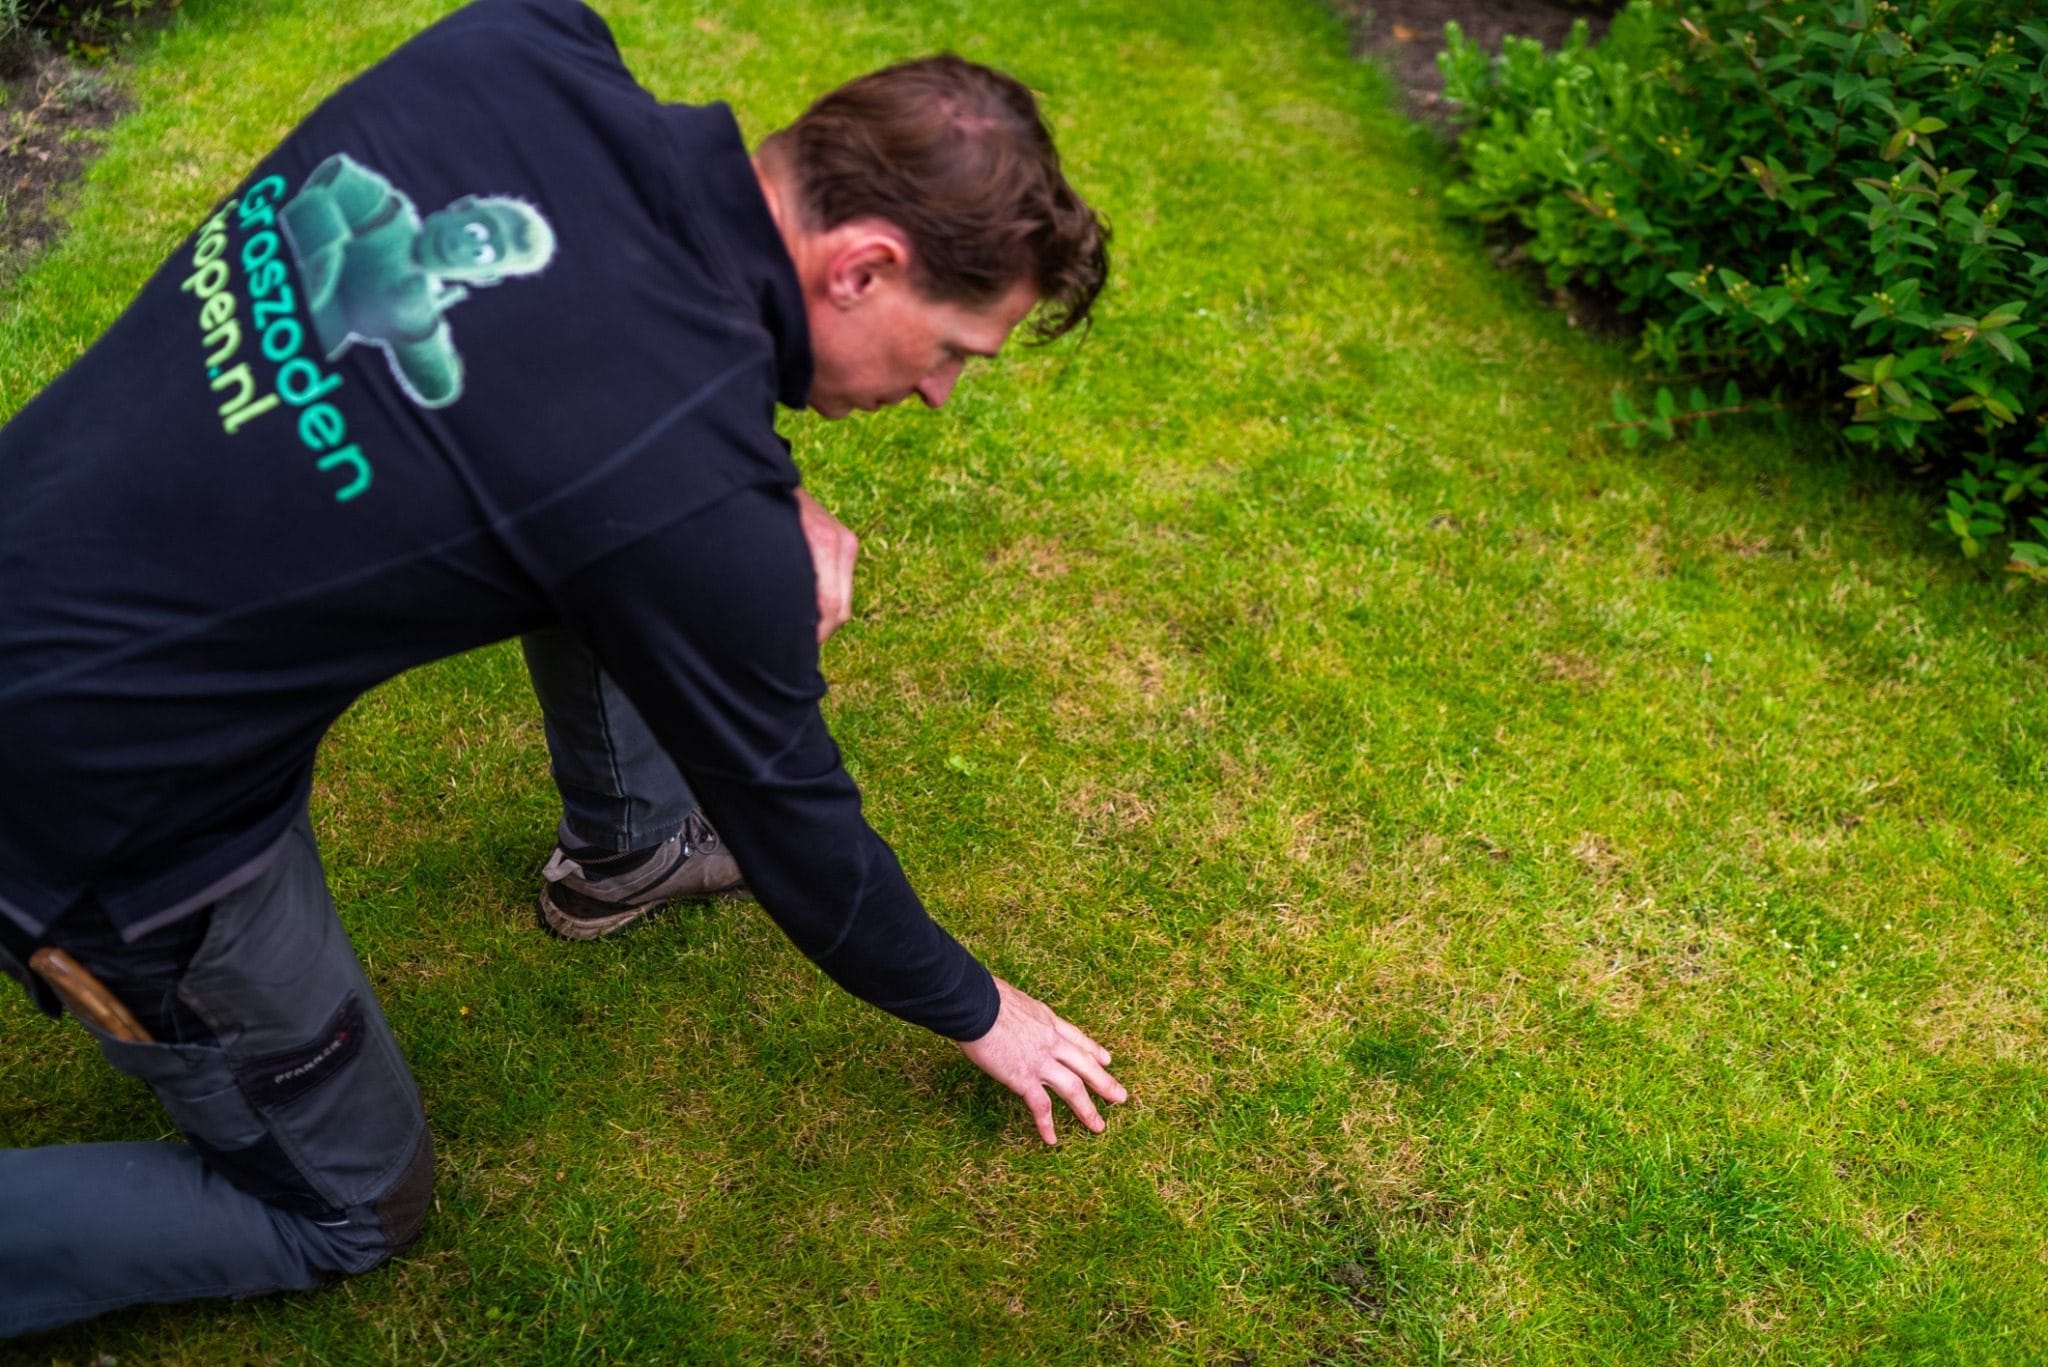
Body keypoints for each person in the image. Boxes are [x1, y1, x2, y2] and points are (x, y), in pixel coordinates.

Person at [0, 0, 1123, 1336]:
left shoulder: (518, 47)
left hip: (34, 555)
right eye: (953, 352)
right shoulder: (679, 498)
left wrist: (763, 492)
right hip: (95, 797)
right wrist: (977, 1007)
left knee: (593, 547)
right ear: (863, 266)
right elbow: (798, 826)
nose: (940, 394)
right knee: (346, 1205)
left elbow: (590, 380)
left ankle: (633, 846)